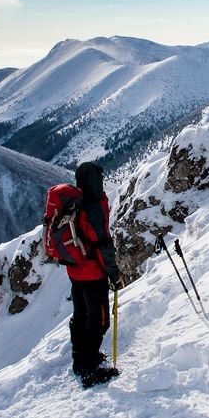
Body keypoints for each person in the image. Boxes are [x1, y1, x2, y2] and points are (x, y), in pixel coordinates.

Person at [66, 162, 124, 388]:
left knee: (81, 315)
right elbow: (103, 245)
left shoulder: (75, 202)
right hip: (92, 274)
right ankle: (89, 368)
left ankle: (80, 358)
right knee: (98, 320)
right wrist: (114, 275)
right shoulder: (93, 208)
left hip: (75, 271)